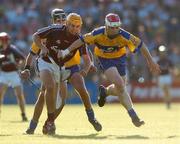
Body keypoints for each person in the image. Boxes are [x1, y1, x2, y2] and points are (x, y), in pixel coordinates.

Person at [58, 13, 161, 127]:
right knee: (119, 83)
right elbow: (81, 41)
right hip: (104, 59)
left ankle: (105, 92)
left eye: (117, 27)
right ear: (106, 26)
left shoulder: (124, 35)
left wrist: (150, 61)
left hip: (120, 59)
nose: (115, 29)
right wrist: (66, 51)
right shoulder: (97, 33)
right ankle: (134, 116)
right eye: (112, 27)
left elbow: (141, 45)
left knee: (121, 89)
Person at [29, 12, 102, 135]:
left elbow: (87, 59)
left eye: (77, 26)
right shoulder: (53, 29)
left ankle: (91, 117)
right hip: (46, 63)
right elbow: (35, 39)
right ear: (66, 24)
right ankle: (36, 125)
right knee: (47, 90)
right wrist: (41, 49)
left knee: (79, 89)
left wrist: (85, 70)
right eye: (72, 25)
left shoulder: (80, 39)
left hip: (65, 67)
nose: (75, 29)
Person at [21, 8, 67, 134]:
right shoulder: (46, 33)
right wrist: (26, 69)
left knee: (53, 99)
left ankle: (45, 123)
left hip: (59, 68)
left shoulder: (69, 33)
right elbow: (31, 54)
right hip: (44, 64)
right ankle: (40, 125)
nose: (61, 22)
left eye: (64, 19)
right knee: (49, 88)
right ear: (53, 20)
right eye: (58, 20)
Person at [0, 32, 28, 121]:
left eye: (4, 40)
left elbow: (23, 59)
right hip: (4, 74)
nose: (4, 42)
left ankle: (23, 114)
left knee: (19, 95)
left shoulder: (12, 49)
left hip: (14, 74)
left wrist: (19, 66)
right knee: (0, 94)